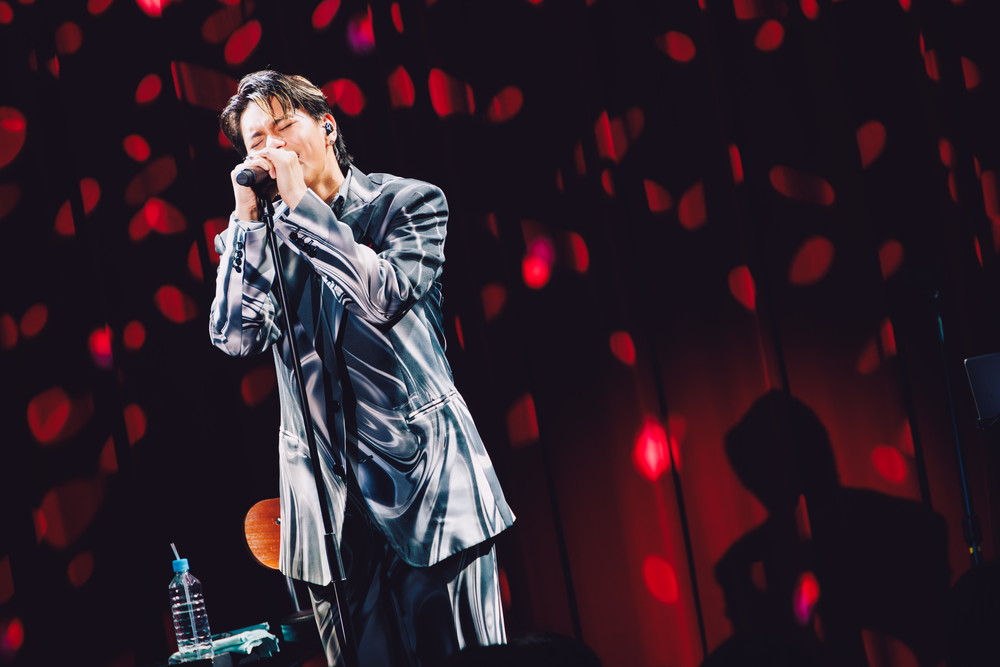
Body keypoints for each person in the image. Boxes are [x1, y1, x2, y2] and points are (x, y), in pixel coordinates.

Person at [210, 70, 516, 666]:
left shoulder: (408, 204)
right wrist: (246, 222)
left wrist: (302, 207)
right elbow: (235, 338)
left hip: (429, 492)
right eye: (255, 140)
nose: (271, 147)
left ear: (327, 128)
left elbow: (382, 297)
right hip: (328, 520)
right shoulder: (259, 239)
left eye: (283, 127)